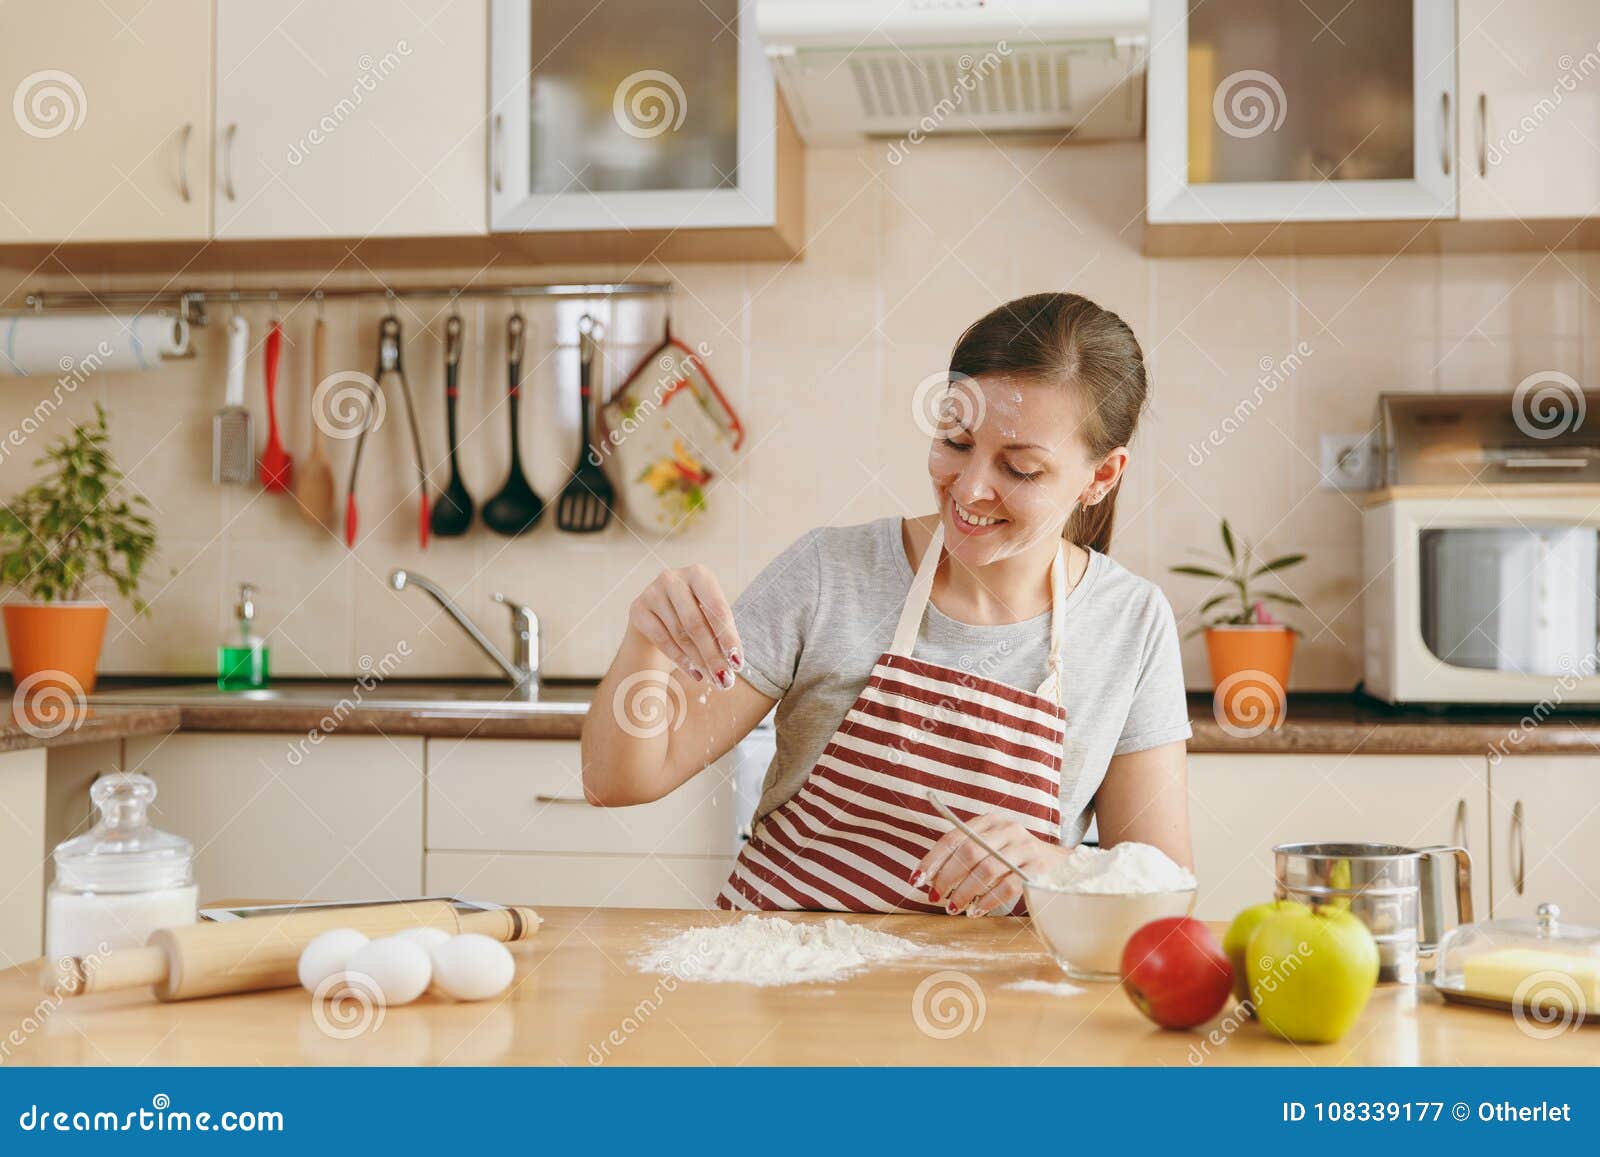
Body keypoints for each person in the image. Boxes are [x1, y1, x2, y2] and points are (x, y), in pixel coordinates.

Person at [582, 292, 1192, 916]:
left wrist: (1060, 866)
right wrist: (646, 642)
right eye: (955, 442)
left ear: (1102, 476)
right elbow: (616, 783)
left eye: (1021, 469)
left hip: (995, 1001)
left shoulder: (1131, 624)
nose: (972, 488)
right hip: (772, 984)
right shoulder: (829, 574)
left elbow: (1162, 895)